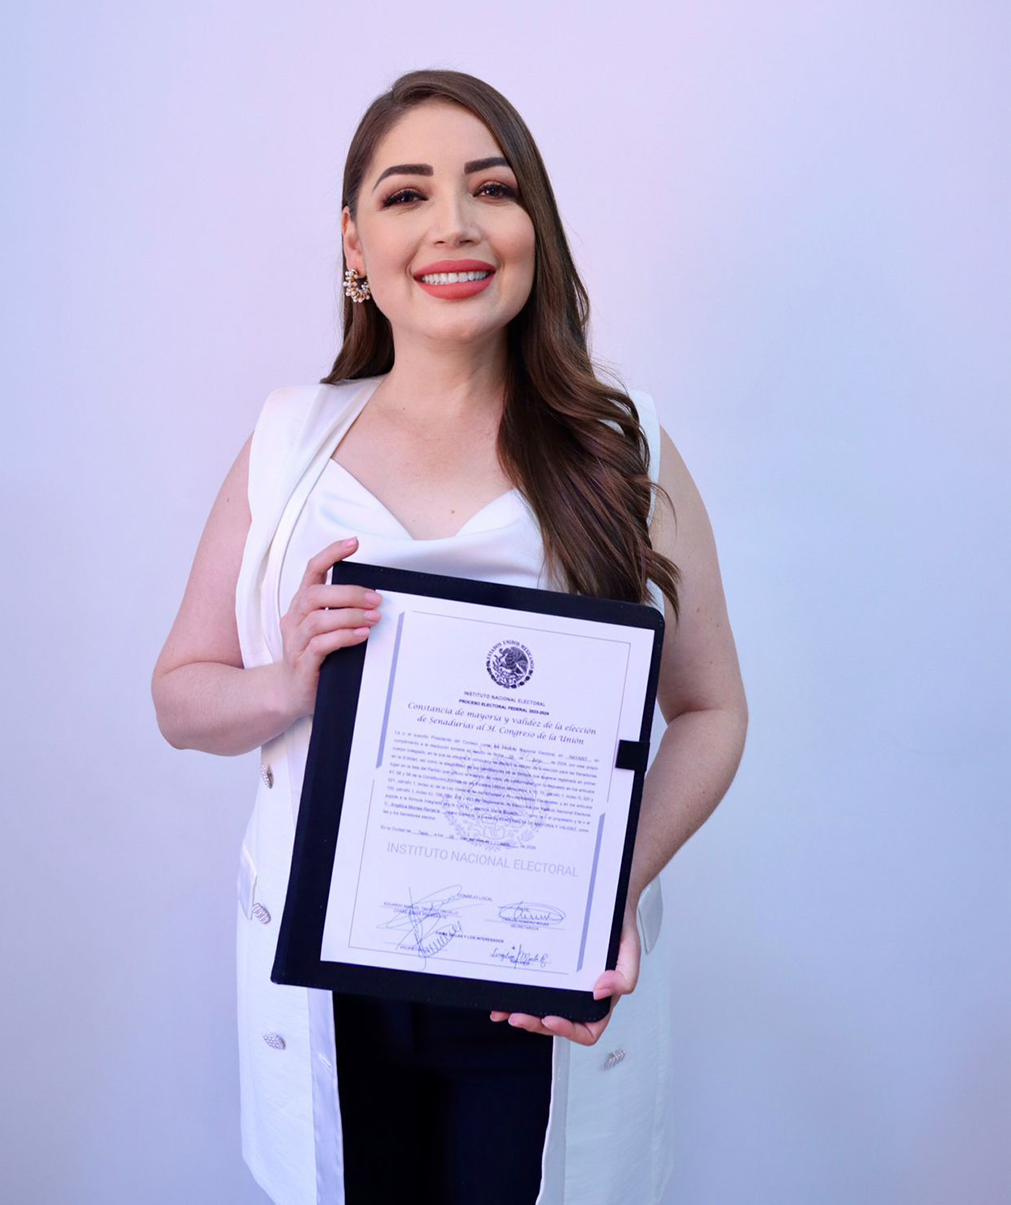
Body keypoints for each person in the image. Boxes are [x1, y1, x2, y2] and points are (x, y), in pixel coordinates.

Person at [152, 68, 748, 1205]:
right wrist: (288, 681)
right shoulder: (289, 444)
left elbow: (714, 708)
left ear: (535, 227)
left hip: (534, 989)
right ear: (354, 242)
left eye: (492, 188)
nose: (455, 225)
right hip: (336, 993)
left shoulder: (623, 454)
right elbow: (180, 693)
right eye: (407, 194)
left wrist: (609, 890)